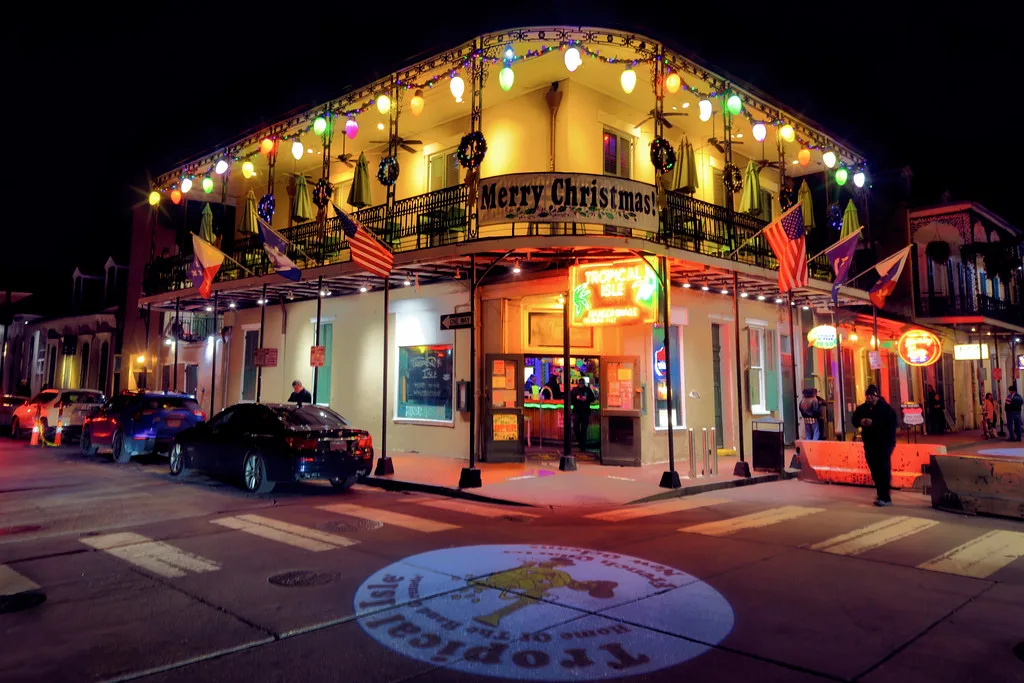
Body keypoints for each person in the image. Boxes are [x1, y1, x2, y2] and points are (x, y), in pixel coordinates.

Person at [852, 385, 898, 507]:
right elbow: (854, 419)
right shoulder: (863, 408)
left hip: (884, 443)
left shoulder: (886, 409)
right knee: (874, 468)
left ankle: (885, 496)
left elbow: (891, 424)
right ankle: (880, 493)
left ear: (877, 395)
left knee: (883, 467)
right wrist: (860, 422)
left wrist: (874, 423)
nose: (870, 398)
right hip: (870, 443)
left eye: (872, 396)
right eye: (868, 396)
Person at [570, 378, 596, 452]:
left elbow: (593, 398)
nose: (581, 385)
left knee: (584, 429)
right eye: (580, 384)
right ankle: (581, 442)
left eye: (582, 384)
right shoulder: (574, 390)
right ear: (578, 383)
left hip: (585, 412)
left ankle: (582, 446)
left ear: (584, 383)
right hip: (577, 412)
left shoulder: (587, 390)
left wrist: (586, 398)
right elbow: (570, 399)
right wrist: (576, 398)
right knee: (576, 428)